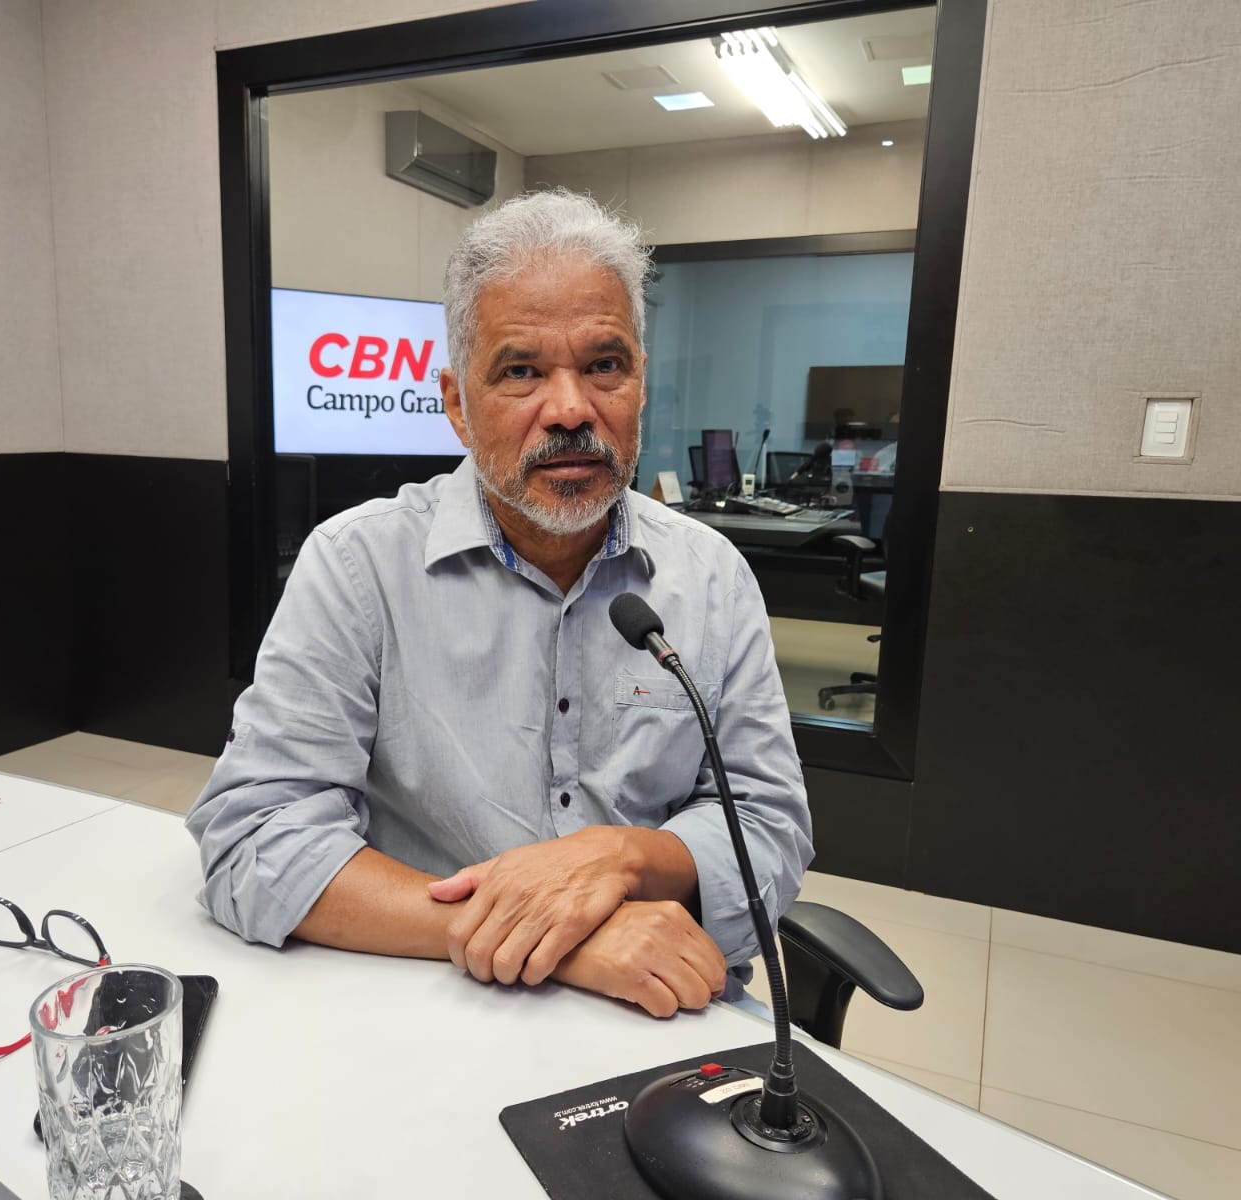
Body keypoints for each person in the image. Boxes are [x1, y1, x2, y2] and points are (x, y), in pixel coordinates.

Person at [187, 189, 812, 1017]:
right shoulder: (358, 566)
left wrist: (622, 858)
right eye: (521, 370)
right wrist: (559, 938)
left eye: (604, 365)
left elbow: (768, 827)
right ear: (455, 403)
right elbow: (255, 838)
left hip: (660, 1004)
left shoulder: (713, 577)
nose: (570, 410)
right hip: (427, 1000)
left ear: (640, 385)